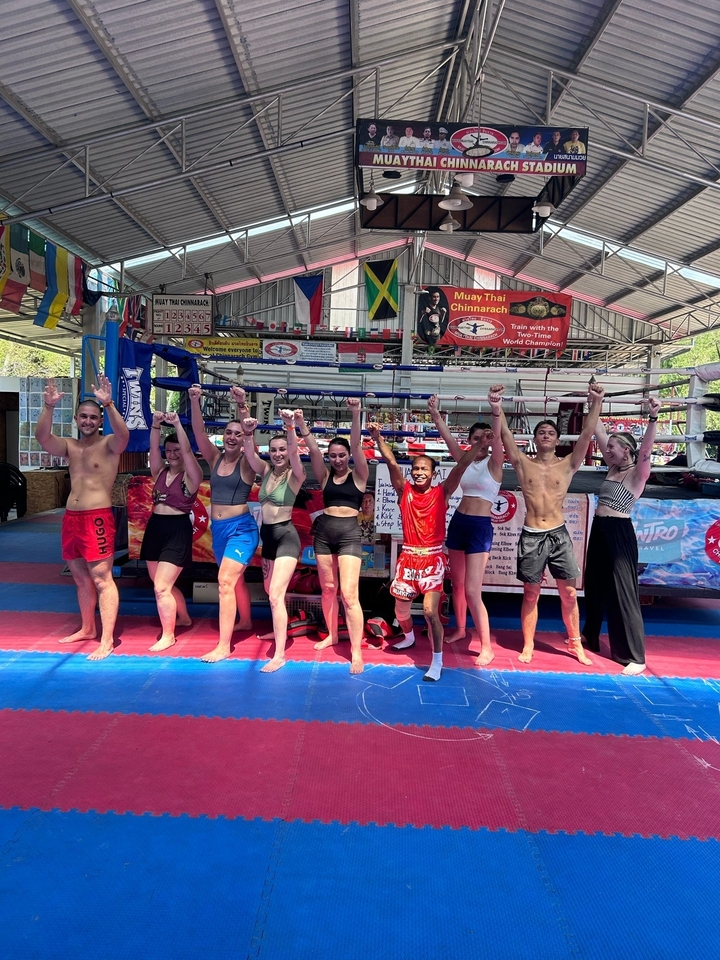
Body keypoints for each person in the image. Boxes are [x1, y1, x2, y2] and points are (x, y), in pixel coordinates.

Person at [489, 381, 605, 665]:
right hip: (531, 535)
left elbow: (588, 432)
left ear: (556, 439)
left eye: (551, 432)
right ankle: (528, 644)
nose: (546, 435)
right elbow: (503, 434)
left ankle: (575, 643)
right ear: (535, 438)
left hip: (558, 533)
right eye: (541, 431)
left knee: (568, 593)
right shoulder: (522, 463)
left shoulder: (567, 464)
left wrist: (596, 402)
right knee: (531, 592)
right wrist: (496, 406)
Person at [368, 423, 479, 682]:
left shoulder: (443, 492)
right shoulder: (403, 491)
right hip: (407, 558)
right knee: (401, 612)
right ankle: (408, 638)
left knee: (430, 612)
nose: (419, 472)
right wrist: (377, 438)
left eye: (424, 469)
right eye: (416, 468)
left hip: (432, 559)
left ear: (433, 474)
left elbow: (461, 466)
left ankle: (437, 661)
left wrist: (478, 446)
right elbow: (392, 463)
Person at [35, 375, 129, 660]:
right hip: (71, 518)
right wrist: (49, 408)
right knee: (79, 578)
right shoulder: (70, 447)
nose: (88, 421)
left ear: (100, 421)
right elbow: (42, 438)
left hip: (97, 518)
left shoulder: (110, 444)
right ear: (76, 419)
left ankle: (108, 639)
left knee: (102, 578)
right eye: (83, 417)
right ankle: (88, 627)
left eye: (93, 417)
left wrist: (109, 404)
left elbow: (125, 436)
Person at [582, 398, 660, 675]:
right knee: (594, 586)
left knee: (622, 593)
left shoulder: (637, 473)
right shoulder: (613, 467)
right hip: (600, 529)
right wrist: (595, 402)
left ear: (626, 451)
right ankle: (590, 636)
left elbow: (647, 449)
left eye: (613, 448)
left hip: (619, 533)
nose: (607, 450)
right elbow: (598, 430)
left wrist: (653, 417)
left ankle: (635, 656)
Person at [427, 395, 504, 666]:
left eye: (485, 438)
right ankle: (461, 629)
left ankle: (486, 646)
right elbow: (449, 439)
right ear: (470, 442)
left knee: (473, 590)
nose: (481, 442)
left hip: (479, 528)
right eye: (476, 438)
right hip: (459, 522)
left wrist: (496, 412)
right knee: (457, 584)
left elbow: (496, 440)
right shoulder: (466, 460)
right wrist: (436, 415)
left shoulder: (495, 464)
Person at [296, 398, 369, 674]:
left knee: (349, 595)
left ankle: (356, 650)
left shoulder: (359, 475)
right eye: (333, 455)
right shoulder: (325, 476)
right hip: (324, 534)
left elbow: (357, 444)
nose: (337, 459)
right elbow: (313, 450)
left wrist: (355, 412)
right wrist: (302, 424)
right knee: (328, 589)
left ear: (348, 456)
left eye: (341, 455)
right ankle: (332, 634)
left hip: (349, 533)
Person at [189, 383, 258, 662]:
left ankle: (223, 645)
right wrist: (194, 400)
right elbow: (198, 432)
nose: (232, 437)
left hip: (241, 529)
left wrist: (242, 405)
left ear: (244, 439)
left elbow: (249, 430)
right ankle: (246, 621)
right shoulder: (215, 458)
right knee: (235, 581)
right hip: (219, 531)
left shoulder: (247, 462)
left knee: (225, 582)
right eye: (228, 433)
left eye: (237, 434)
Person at [240, 408, 306, 672]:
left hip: (286, 537)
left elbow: (294, 454)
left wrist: (290, 427)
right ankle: (282, 630)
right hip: (267, 537)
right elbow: (249, 454)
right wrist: (247, 432)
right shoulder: (266, 470)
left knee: (276, 595)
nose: (278, 454)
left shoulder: (295, 475)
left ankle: (279, 654)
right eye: (274, 450)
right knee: (270, 594)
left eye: (282, 450)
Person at [141, 410, 203, 651]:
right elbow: (153, 451)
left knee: (161, 587)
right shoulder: (159, 472)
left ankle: (169, 635)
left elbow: (187, 452)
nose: (173, 454)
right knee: (159, 582)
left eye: (177, 449)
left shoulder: (191, 476)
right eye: (169, 450)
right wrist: (156, 426)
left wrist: (177, 424)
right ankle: (184, 618)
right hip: (155, 528)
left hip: (177, 530)